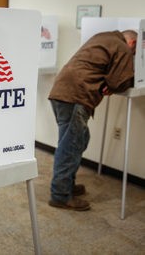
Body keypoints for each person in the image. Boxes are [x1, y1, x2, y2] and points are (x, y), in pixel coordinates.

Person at [48, 29, 137, 211]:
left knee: (77, 141)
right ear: (133, 43)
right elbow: (118, 83)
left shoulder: (103, 37)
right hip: (76, 95)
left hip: (62, 91)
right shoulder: (123, 47)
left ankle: (67, 186)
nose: (133, 55)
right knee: (71, 146)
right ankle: (60, 195)